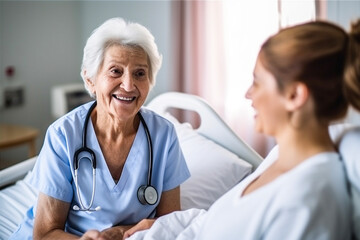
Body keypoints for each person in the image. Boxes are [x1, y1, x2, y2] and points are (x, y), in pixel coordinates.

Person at [126, 19, 360, 240]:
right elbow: (226, 223)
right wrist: (163, 227)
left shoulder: (308, 199)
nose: (249, 94)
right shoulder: (282, 157)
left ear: (295, 95)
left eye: (257, 82)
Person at [10, 17, 190, 240]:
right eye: (115, 71)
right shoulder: (63, 135)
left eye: (140, 73)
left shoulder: (163, 135)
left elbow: (172, 222)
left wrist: (119, 232)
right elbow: (46, 233)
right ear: (91, 79)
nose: (128, 85)